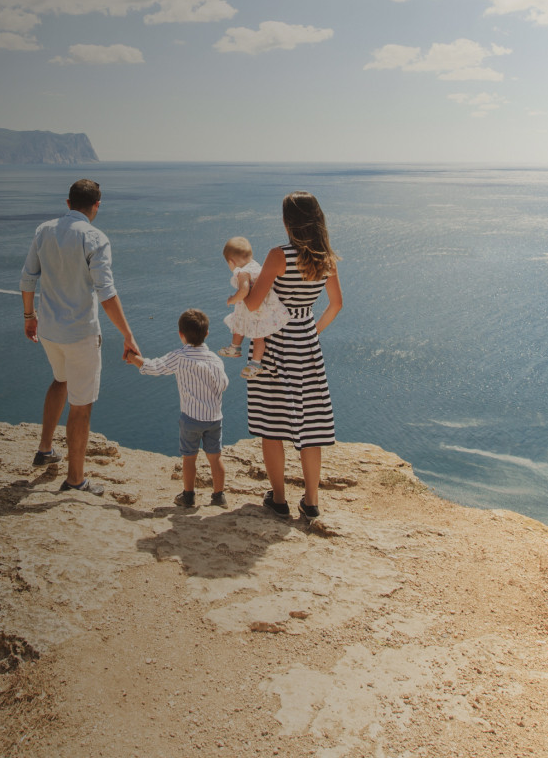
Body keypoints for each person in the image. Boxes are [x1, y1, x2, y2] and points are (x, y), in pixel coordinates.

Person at [20, 178, 140, 495]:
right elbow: (107, 293)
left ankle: (46, 448)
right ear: (96, 206)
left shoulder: (43, 230)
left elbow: (27, 278)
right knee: (81, 406)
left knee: (60, 380)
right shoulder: (95, 238)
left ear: (68, 203)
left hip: (48, 330)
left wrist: (29, 317)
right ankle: (75, 480)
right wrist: (128, 335)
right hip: (80, 334)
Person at [240, 192, 343, 522]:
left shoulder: (277, 255)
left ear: (288, 222)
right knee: (310, 424)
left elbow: (254, 304)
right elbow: (336, 304)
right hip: (307, 345)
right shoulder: (326, 258)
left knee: (273, 424)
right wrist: (313, 331)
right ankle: (311, 501)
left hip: (276, 343)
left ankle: (280, 499)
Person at [124, 308, 228, 509]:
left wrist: (133, 358)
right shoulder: (216, 360)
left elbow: (153, 367)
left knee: (189, 458)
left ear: (180, 334)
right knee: (215, 458)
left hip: (190, 419)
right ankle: (219, 496)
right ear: (207, 333)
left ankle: (188, 496)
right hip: (214, 418)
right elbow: (223, 384)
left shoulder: (180, 357)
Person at [218, 235, 290, 379]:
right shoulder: (256, 266)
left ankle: (235, 348)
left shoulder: (241, 272)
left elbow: (244, 290)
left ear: (231, 262)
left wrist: (232, 299)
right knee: (258, 338)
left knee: (238, 325)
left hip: (251, 310)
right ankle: (255, 364)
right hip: (262, 310)